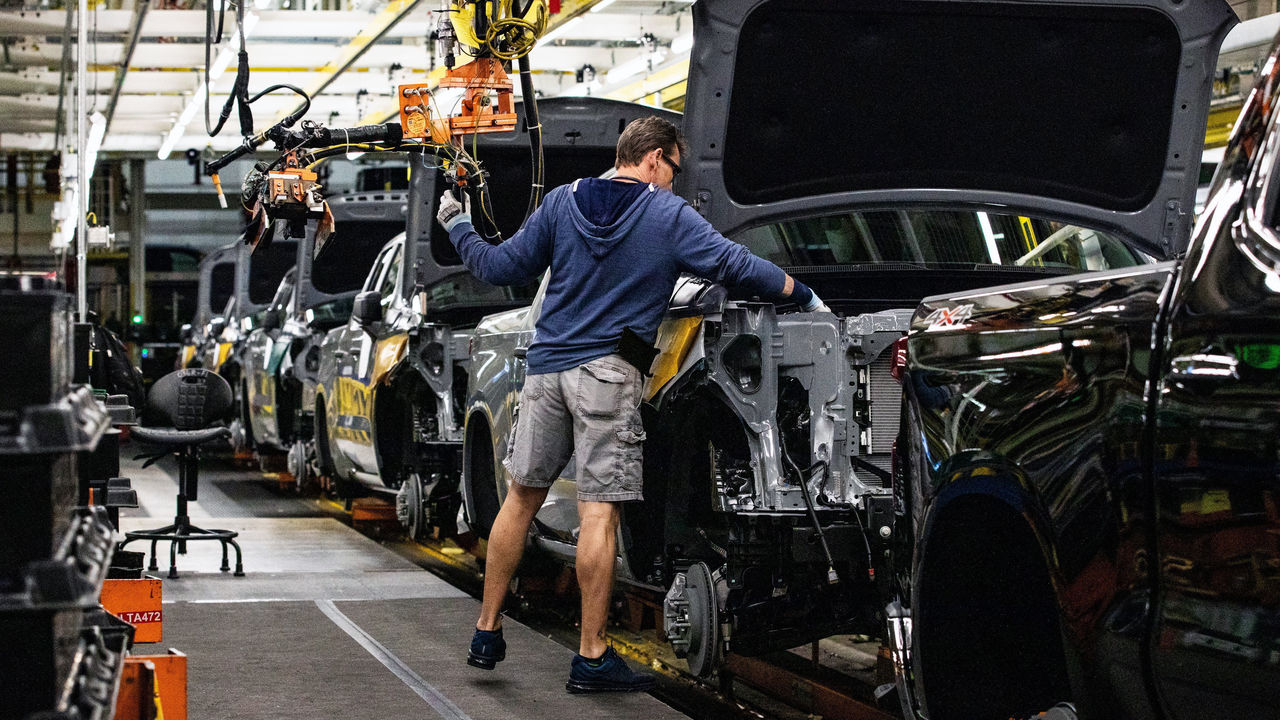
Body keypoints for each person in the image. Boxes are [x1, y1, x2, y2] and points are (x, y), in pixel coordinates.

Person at [436, 116, 828, 694]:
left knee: (519, 499)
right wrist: (801, 292)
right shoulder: (666, 215)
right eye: (674, 168)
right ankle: (591, 657)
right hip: (606, 376)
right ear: (655, 158)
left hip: (546, 371)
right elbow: (734, 265)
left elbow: (500, 267)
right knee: (600, 514)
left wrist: (457, 224)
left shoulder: (563, 202)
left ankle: (486, 630)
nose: (674, 180)